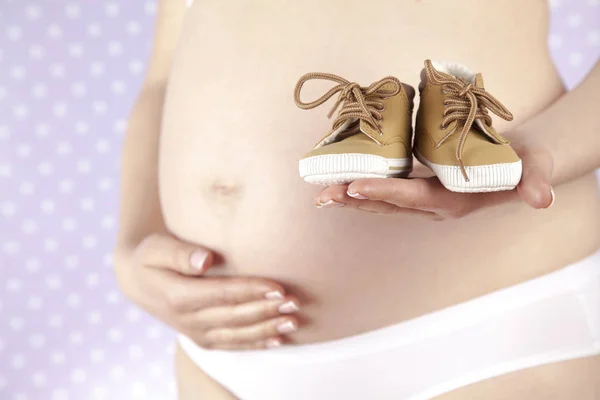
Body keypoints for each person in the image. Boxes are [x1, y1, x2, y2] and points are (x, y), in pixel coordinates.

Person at [114, 0, 600, 398]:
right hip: (221, 360)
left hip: (491, 331)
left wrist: (542, 154)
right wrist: (132, 245)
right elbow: (162, 75)